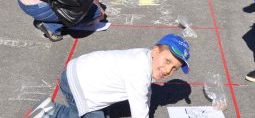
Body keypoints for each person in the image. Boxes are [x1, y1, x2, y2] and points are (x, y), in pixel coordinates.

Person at [29, 33, 191, 117]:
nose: (168, 70)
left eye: (174, 68)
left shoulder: (145, 57)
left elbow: (145, 94)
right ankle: (51, 112)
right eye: (168, 61)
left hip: (79, 71)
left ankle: (49, 109)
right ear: (156, 51)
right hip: (79, 83)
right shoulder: (139, 72)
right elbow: (139, 109)